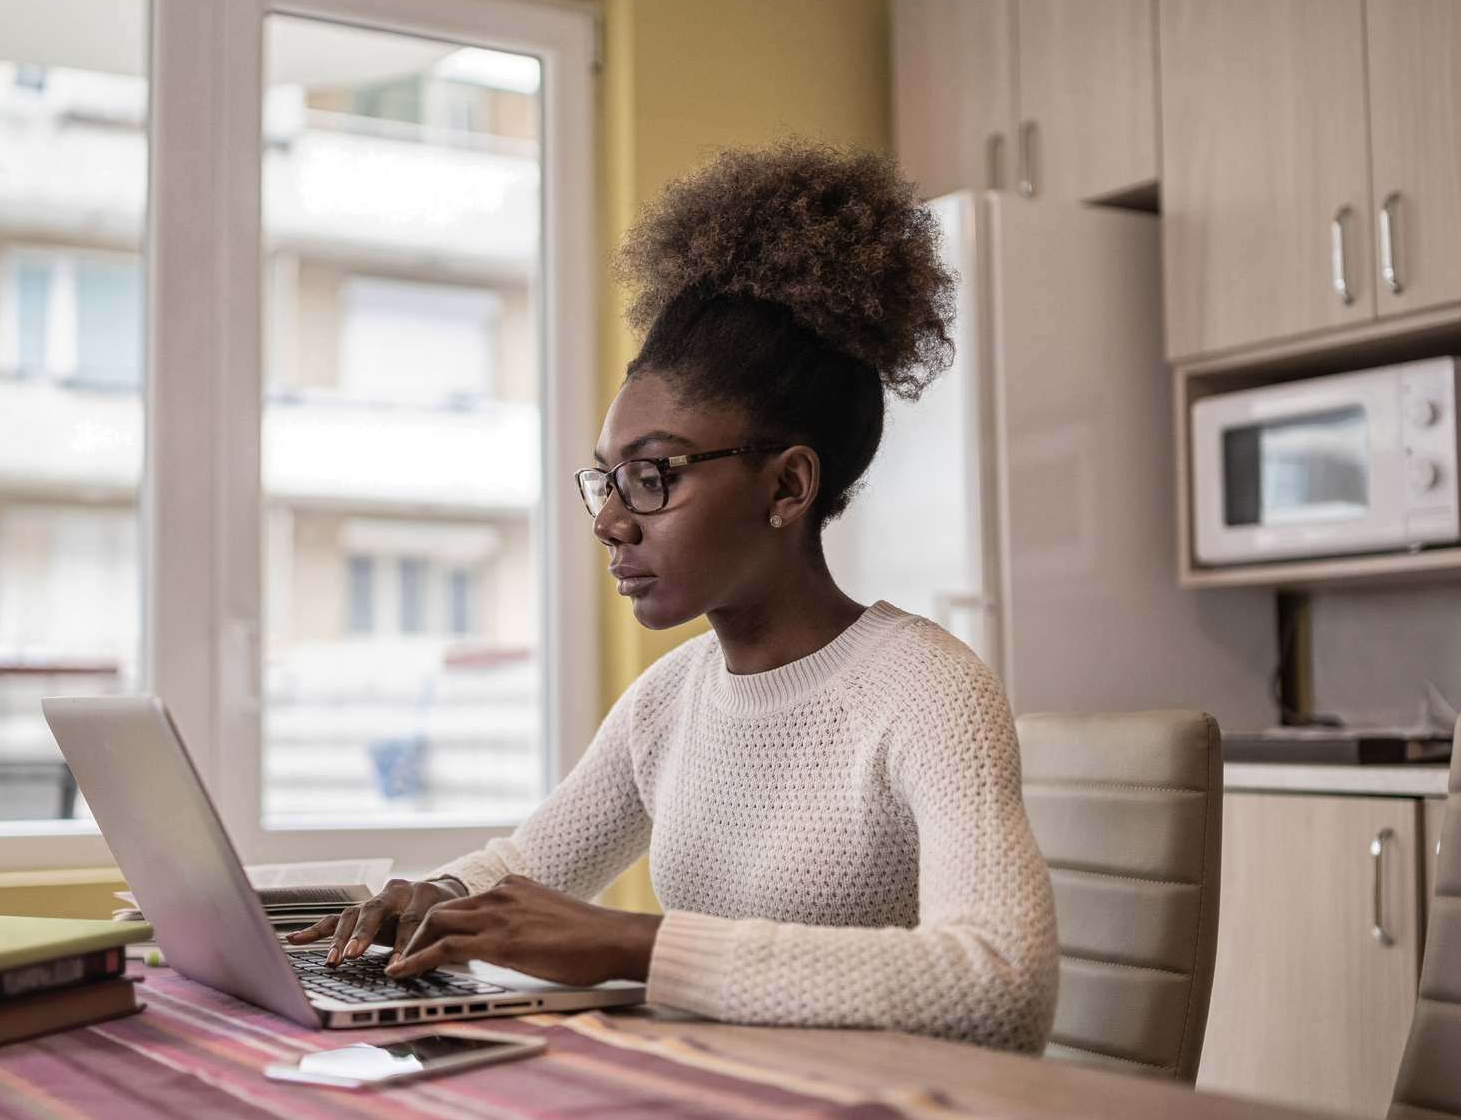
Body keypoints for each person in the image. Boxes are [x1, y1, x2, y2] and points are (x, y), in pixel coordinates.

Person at [290, 140, 1058, 1050]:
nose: (611, 520)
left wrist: (632, 945)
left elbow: (1000, 982)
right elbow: (525, 865)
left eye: (652, 477)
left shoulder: (927, 690)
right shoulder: (671, 698)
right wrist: (437, 898)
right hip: (718, 1098)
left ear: (787, 487)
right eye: (606, 480)